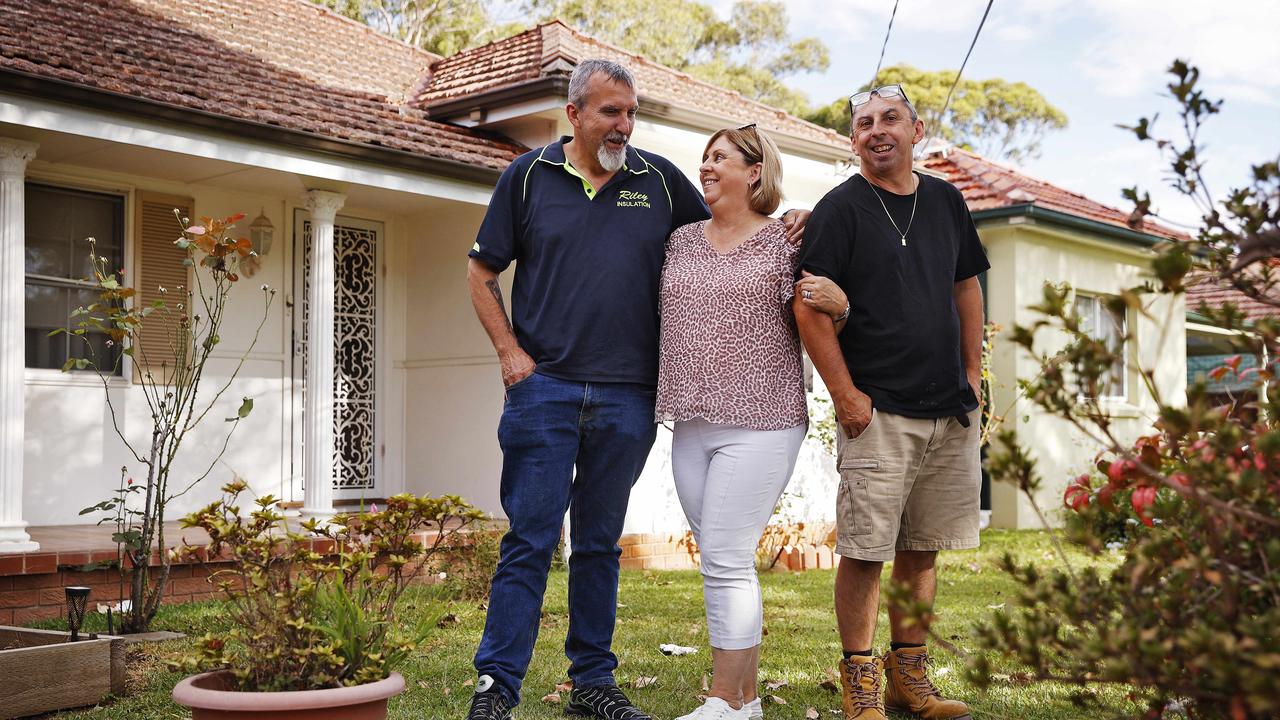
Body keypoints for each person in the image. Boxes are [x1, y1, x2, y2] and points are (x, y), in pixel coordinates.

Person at [464, 60, 809, 720]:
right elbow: (481, 273)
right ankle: (497, 686)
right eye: (609, 112)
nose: (624, 125)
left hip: (629, 397)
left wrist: (798, 219)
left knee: (599, 544)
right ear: (575, 115)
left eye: (630, 113)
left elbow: (733, 223)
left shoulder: (656, 179)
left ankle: (593, 683)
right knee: (530, 540)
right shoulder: (529, 177)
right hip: (547, 390)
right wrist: (510, 354)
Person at [794, 84, 988, 720]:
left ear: (916, 129)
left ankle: (910, 678)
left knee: (923, 547)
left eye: (890, 119)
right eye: (864, 123)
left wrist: (972, 373)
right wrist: (845, 396)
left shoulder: (946, 201)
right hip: (878, 412)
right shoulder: (840, 209)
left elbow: (965, 287)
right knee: (865, 550)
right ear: (853, 141)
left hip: (949, 410)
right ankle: (860, 682)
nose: (877, 131)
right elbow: (807, 304)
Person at [656, 125, 849, 720]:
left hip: (763, 420)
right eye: (705, 158)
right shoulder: (681, 241)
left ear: (756, 171)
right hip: (689, 421)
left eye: (721, 158)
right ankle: (745, 702)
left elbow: (828, 311)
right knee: (718, 555)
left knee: (726, 557)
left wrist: (838, 302)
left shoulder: (788, 240)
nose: (707, 167)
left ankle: (721, 699)